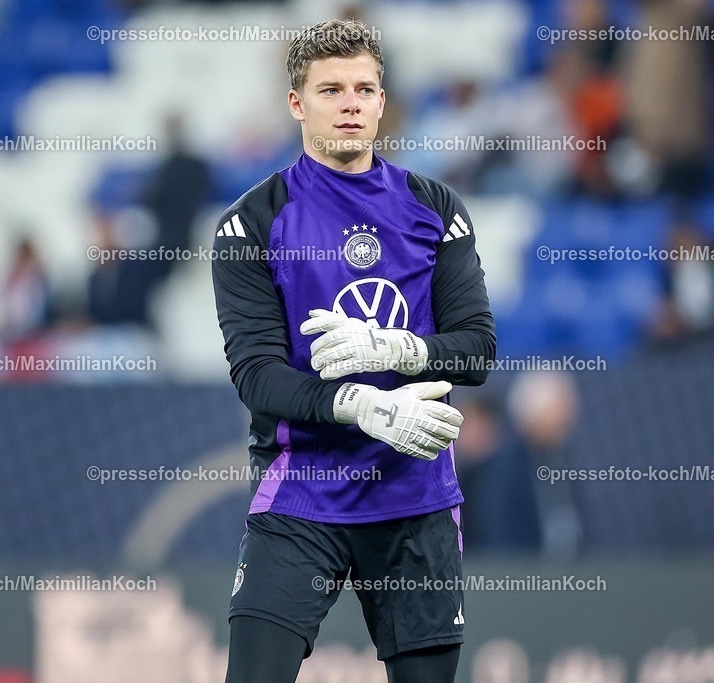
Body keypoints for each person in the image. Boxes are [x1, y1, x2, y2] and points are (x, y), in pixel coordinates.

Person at [211, 18, 496, 683]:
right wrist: (361, 404)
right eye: (331, 89)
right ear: (296, 103)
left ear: (382, 99)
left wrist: (397, 347)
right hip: (302, 490)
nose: (350, 105)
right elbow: (257, 375)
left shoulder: (436, 208)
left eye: (364, 89)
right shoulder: (251, 223)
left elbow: (477, 349)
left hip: (414, 493)